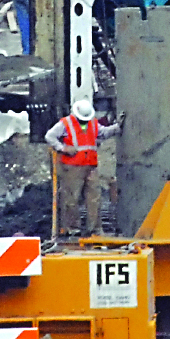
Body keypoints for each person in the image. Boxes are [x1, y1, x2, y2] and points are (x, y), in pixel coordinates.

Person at [46, 99, 116, 237]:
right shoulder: (65, 123)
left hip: (90, 165)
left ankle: (95, 229)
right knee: (71, 199)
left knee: (94, 197)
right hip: (72, 166)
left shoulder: (93, 123)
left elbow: (103, 133)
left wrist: (117, 127)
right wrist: (62, 148)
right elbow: (50, 136)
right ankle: (73, 229)